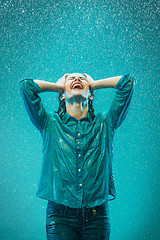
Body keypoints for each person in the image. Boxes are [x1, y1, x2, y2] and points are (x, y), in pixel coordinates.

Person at [20, 72, 136, 240]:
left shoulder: (105, 123)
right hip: (60, 217)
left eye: (82, 78)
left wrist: (94, 84)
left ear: (91, 95)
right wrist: (58, 87)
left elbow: (128, 83)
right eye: (71, 79)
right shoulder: (49, 123)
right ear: (61, 96)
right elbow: (26, 87)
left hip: (97, 217)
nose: (77, 79)